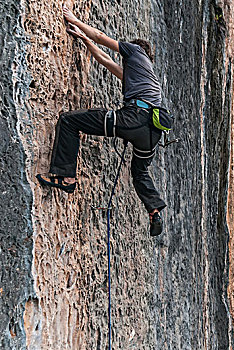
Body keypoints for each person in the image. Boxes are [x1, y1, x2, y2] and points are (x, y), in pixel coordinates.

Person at [37, 5, 166, 236]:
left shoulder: (136, 51)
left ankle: (65, 176)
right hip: (152, 133)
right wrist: (85, 40)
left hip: (134, 118)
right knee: (140, 172)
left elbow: (102, 38)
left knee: (69, 121)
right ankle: (154, 209)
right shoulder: (143, 76)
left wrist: (74, 19)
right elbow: (105, 59)